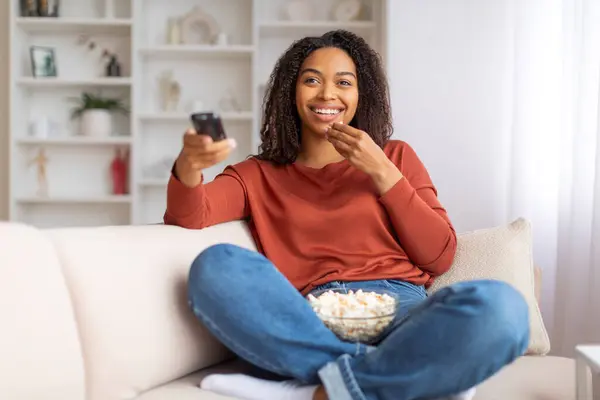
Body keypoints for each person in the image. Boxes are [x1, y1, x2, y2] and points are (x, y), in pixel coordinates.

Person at [164, 30, 529, 400]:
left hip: (401, 316)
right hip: (308, 322)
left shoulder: (396, 156)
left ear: (360, 94)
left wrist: (384, 173)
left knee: (504, 308)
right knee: (215, 264)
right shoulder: (258, 174)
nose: (327, 94)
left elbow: (440, 255)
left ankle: (313, 391)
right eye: (311, 80)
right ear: (291, 92)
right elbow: (190, 216)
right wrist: (189, 165)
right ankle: (399, 376)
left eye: (343, 82)